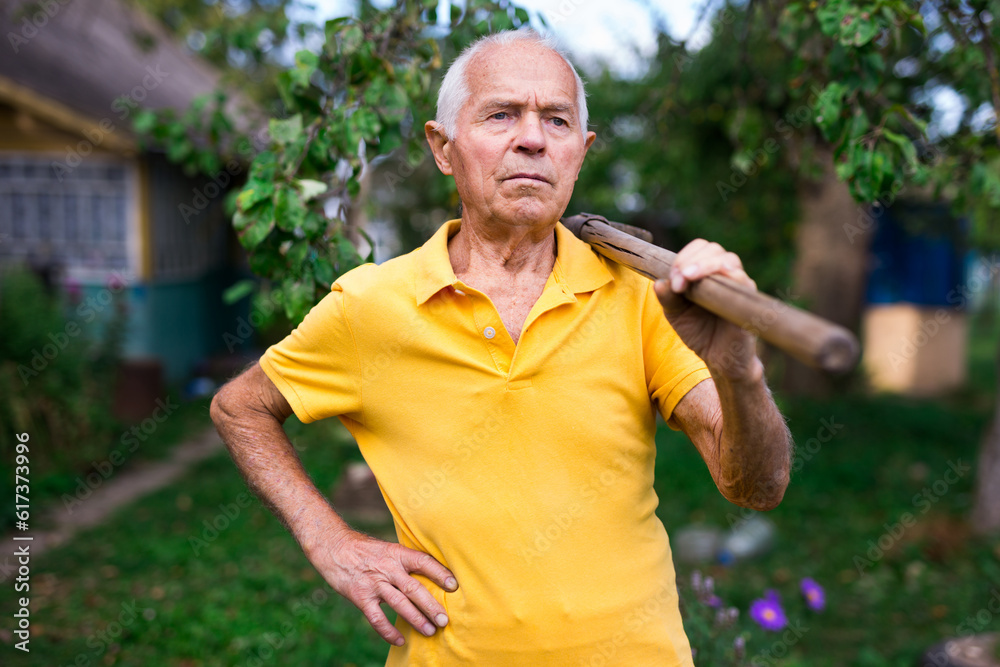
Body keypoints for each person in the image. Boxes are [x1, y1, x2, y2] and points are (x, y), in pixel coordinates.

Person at [210, 29, 792, 666]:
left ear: (581, 151)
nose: (533, 139)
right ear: (442, 148)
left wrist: (739, 370)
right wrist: (329, 539)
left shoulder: (638, 298)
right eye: (501, 114)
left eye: (557, 120)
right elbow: (240, 407)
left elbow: (757, 488)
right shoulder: (371, 307)